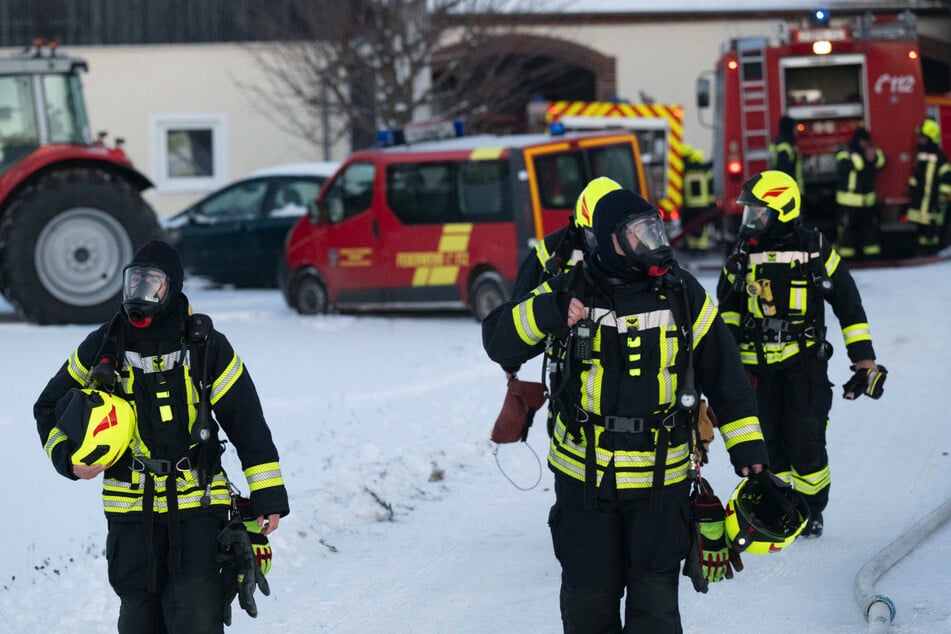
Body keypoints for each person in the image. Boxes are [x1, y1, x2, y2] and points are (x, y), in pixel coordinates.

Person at [483, 188, 772, 632]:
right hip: (584, 485)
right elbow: (497, 338)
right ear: (608, 239)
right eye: (638, 233)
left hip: (662, 486)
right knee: (588, 605)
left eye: (654, 228)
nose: (652, 241)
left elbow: (727, 377)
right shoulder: (569, 288)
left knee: (655, 610)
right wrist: (546, 312)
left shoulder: (683, 293)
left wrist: (750, 453)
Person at [34, 240, 290, 633]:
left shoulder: (205, 344)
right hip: (130, 513)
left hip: (199, 510)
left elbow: (247, 422)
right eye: (133, 283)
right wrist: (66, 459)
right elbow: (48, 407)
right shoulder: (105, 344)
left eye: (151, 285)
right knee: (138, 621)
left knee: (195, 619)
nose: (140, 294)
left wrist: (268, 495)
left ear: (173, 288)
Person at [717, 170, 887, 538]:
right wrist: (730, 360)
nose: (750, 221)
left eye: (759, 213)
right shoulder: (743, 254)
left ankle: (811, 511)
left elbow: (848, 303)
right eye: (749, 213)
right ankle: (779, 511)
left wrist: (864, 360)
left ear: (783, 211)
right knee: (769, 442)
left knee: (806, 440)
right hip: (756, 370)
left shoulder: (814, 248)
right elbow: (727, 306)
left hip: (803, 367)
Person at [500, 176, 621, 380]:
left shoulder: (639, 248)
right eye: (595, 236)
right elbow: (519, 306)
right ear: (580, 226)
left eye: (610, 234)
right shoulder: (552, 251)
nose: (604, 245)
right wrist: (511, 364)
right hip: (569, 366)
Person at [834, 127, 886, 259]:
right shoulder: (846, 152)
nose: (866, 144)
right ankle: (847, 258)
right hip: (849, 201)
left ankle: (872, 256)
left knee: (870, 231)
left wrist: (873, 157)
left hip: (867, 201)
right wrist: (863, 158)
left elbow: (881, 162)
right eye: (863, 141)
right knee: (848, 231)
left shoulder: (871, 151)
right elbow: (848, 165)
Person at [906, 118, 951, 255]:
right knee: (921, 232)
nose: (919, 140)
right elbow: (917, 176)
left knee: (933, 233)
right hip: (921, 202)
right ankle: (923, 253)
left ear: (930, 138)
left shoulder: (940, 158)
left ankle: (933, 254)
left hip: (933, 204)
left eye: (922, 137)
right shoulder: (921, 155)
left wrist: (942, 200)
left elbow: (946, 180)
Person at [681, 145, 716, 251]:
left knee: (690, 226)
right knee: (701, 227)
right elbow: (711, 188)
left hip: (688, 205)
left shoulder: (684, 172)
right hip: (703, 204)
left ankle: (691, 246)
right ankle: (701, 246)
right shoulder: (704, 171)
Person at [769, 115, 804, 196]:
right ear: (789, 128)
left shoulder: (782, 144)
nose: (796, 131)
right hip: (789, 193)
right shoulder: (785, 148)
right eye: (794, 127)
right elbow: (784, 173)